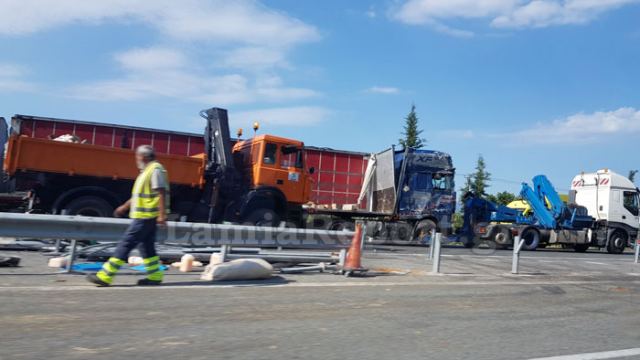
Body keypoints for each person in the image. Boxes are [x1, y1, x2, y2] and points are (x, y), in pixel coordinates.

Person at [87, 145, 170, 286]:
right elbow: (138, 196)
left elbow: (160, 192)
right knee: (146, 247)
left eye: (137, 156)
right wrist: (124, 207)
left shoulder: (155, 169)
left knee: (126, 243)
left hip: (146, 216)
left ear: (142, 157)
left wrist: (162, 215)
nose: (136, 159)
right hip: (145, 216)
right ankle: (155, 276)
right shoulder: (146, 171)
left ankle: (105, 276)